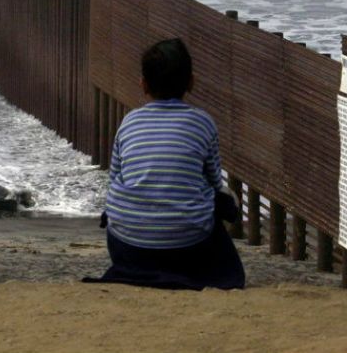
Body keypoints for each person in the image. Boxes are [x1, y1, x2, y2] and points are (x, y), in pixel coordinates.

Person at [84, 38, 245, 290]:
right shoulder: (203, 122)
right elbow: (215, 183)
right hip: (187, 248)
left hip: (128, 246)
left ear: (143, 84)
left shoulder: (129, 122)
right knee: (222, 202)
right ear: (191, 81)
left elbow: (114, 180)